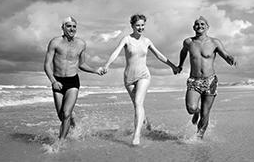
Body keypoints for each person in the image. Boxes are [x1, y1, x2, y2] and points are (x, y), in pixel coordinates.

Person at [100, 14, 179, 145]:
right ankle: (147, 124)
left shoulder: (146, 41)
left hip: (144, 75)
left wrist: (173, 66)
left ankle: (136, 136)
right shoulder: (126, 39)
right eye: (138, 25)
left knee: (137, 102)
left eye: (142, 25)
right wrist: (107, 65)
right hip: (129, 77)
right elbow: (116, 52)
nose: (140, 27)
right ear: (132, 26)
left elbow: (159, 55)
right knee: (138, 105)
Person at [177, 16, 236, 139]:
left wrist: (230, 59)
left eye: (203, 24)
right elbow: (183, 52)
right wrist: (180, 65)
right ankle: (196, 112)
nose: (200, 26)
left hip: (210, 80)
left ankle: (199, 138)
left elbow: (224, 54)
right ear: (194, 27)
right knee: (191, 108)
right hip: (194, 81)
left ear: (207, 27)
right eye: (197, 24)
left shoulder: (214, 42)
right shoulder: (188, 42)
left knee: (205, 113)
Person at [44, 16, 103, 140]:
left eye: (74, 26)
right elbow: (47, 65)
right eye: (69, 26)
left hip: (72, 82)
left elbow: (81, 64)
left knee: (66, 114)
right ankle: (73, 120)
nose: (72, 29)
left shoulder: (81, 44)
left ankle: (60, 143)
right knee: (61, 116)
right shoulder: (55, 42)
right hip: (58, 81)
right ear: (63, 28)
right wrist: (53, 81)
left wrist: (95, 70)